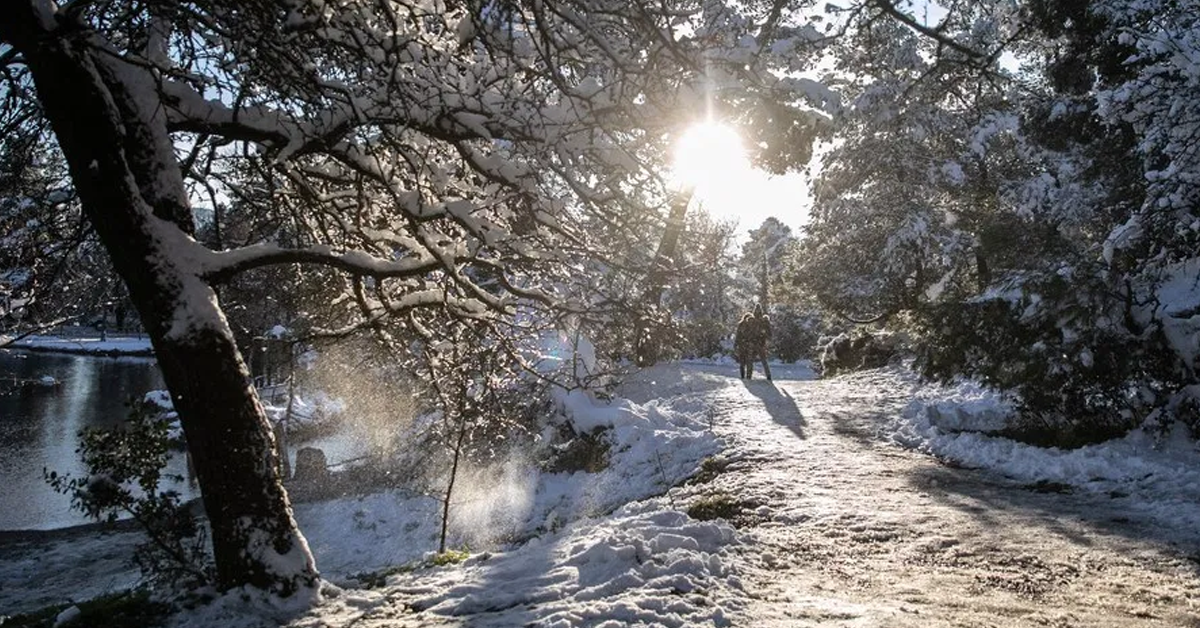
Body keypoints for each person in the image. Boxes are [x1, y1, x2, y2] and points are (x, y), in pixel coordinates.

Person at [734, 313, 754, 379]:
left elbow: (738, 336)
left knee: (743, 362)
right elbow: (738, 335)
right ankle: (748, 376)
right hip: (747, 345)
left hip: (742, 345)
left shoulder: (741, 325)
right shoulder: (748, 325)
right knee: (748, 362)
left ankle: (744, 376)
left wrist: (736, 344)